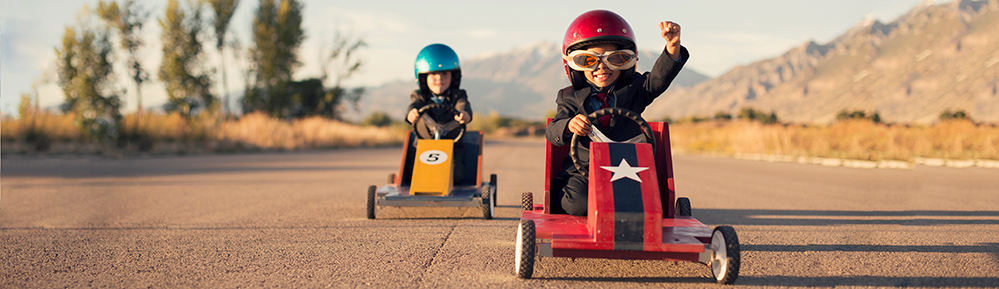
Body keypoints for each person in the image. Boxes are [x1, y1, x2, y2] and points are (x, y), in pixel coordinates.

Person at [545, 10, 688, 216]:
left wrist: (672, 47)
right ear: (575, 65)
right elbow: (553, 131)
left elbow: (658, 79)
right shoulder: (568, 97)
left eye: (615, 59)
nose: (602, 67)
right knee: (578, 204)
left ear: (628, 61)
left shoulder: (636, 89)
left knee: (645, 205)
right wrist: (569, 125)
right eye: (589, 61)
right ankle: (559, 196)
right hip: (583, 171)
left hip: (629, 168)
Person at [406, 43, 473, 184]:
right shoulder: (419, 97)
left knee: (457, 176)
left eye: (444, 74)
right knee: (414, 175)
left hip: (452, 146)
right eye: (434, 74)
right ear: (424, 78)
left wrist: (463, 114)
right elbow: (413, 106)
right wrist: (411, 114)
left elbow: (463, 106)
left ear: (453, 76)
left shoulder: (458, 95)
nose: (439, 78)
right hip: (424, 146)